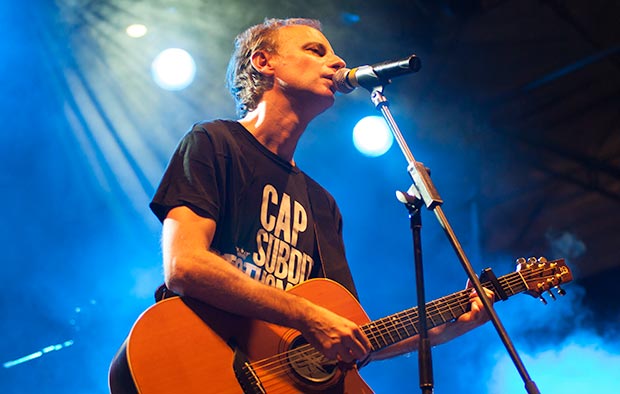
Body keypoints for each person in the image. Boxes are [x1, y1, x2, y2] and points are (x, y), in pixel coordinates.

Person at [112, 17, 492, 391]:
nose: (339, 62)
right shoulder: (215, 143)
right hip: (197, 365)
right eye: (316, 50)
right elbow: (185, 265)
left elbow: (348, 336)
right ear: (264, 63)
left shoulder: (321, 205)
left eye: (334, 53)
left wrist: (452, 325)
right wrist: (306, 314)